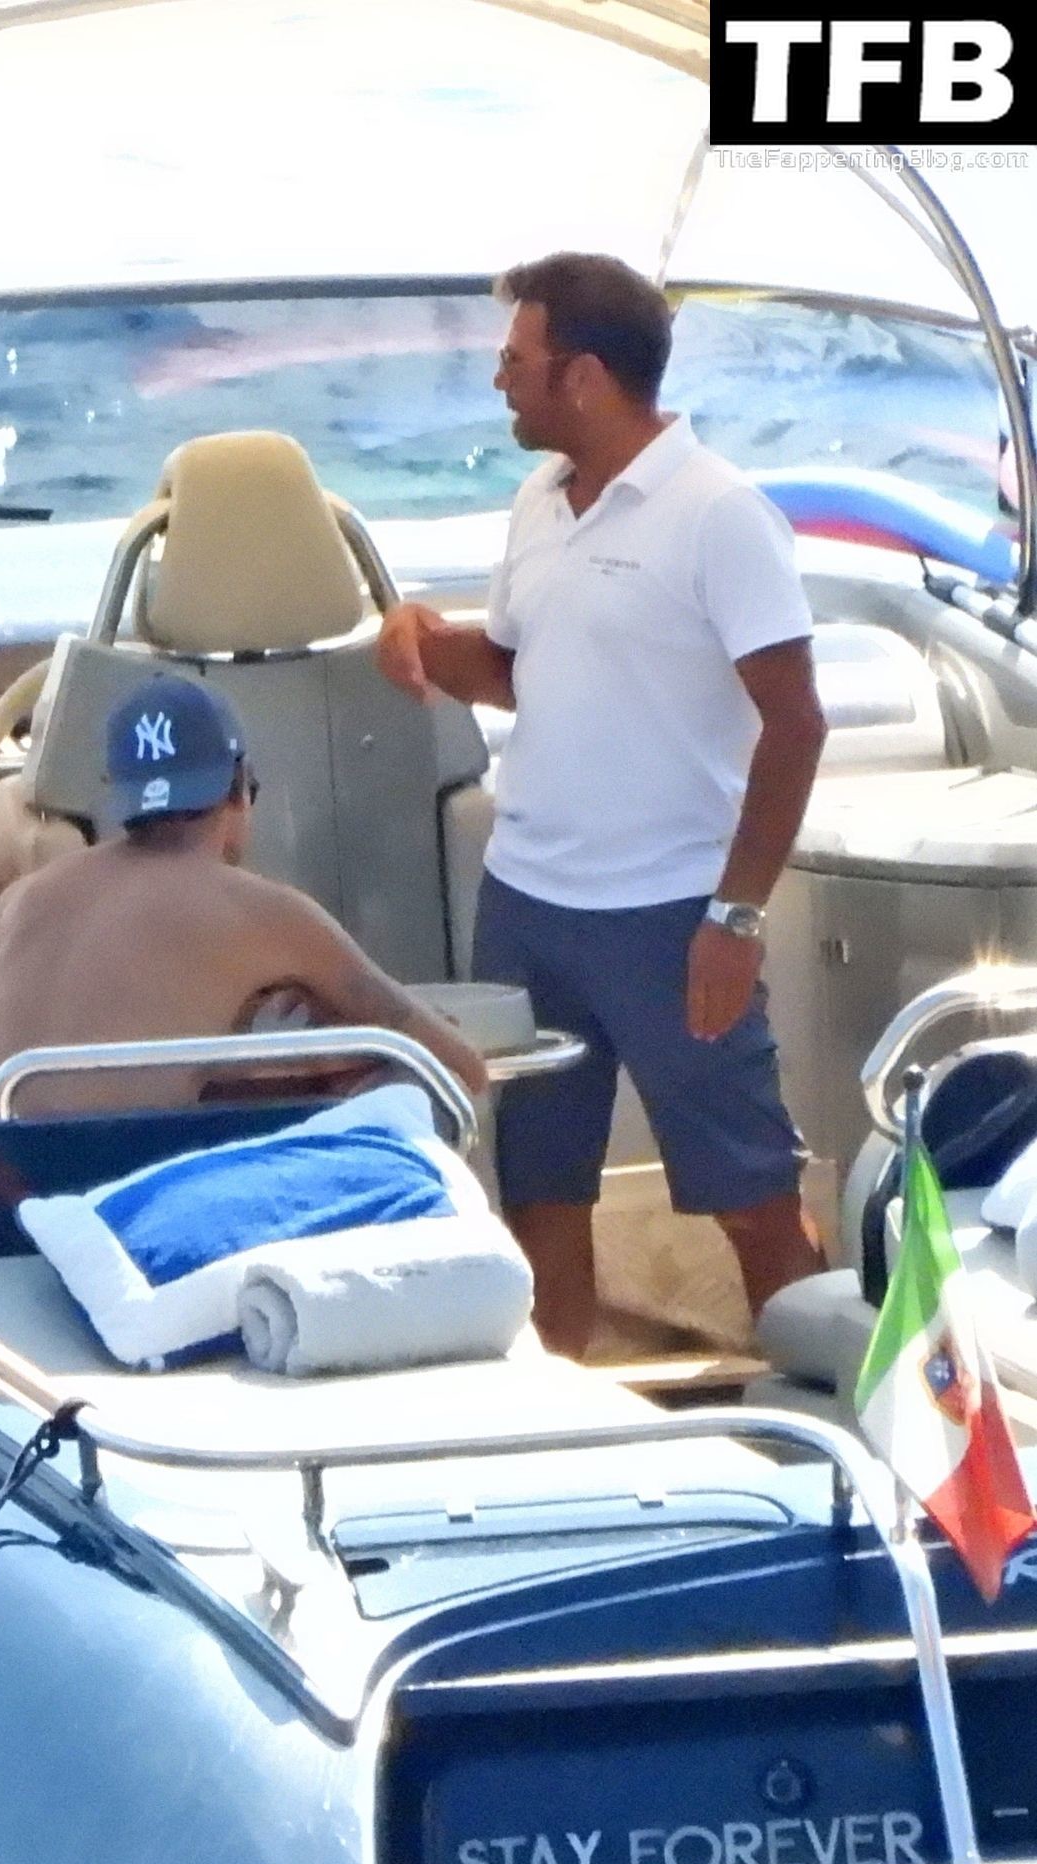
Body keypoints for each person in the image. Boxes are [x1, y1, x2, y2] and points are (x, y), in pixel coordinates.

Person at [377, 251, 828, 1358]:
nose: (498, 378)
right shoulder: (537, 501)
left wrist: (734, 917)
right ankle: (564, 1418)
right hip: (525, 908)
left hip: (673, 917)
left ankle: (833, 1401)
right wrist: (423, 639)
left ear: (581, 377)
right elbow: (515, 669)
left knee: (752, 1201)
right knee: (540, 1194)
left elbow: (796, 724)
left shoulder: (720, 514)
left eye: (514, 358)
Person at [0, 677, 488, 1113]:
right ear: (240, 787)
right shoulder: (270, 915)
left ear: (118, 797)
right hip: (151, 1199)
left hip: (16, 1196)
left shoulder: (26, 899)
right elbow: (456, 1066)